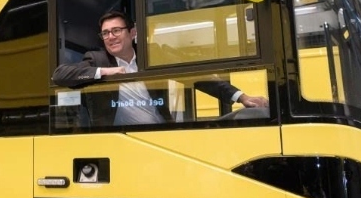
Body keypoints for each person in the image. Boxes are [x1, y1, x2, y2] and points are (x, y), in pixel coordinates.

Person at [52, 11, 268, 126]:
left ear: (133, 32)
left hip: (160, 131)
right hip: (118, 140)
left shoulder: (153, 55)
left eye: (116, 30)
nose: (110, 37)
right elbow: (60, 75)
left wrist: (241, 97)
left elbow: (195, 76)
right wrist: (104, 73)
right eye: (105, 33)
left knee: (252, 117)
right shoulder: (97, 59)